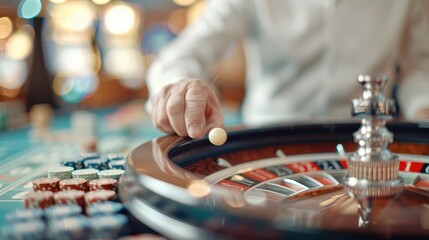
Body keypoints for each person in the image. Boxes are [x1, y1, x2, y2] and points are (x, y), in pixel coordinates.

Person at [146, 0, 429, 139]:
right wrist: (180, 86)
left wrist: (424, 108)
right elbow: (183, 54)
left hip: (368, 144)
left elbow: (421, 66)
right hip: (264, 142)